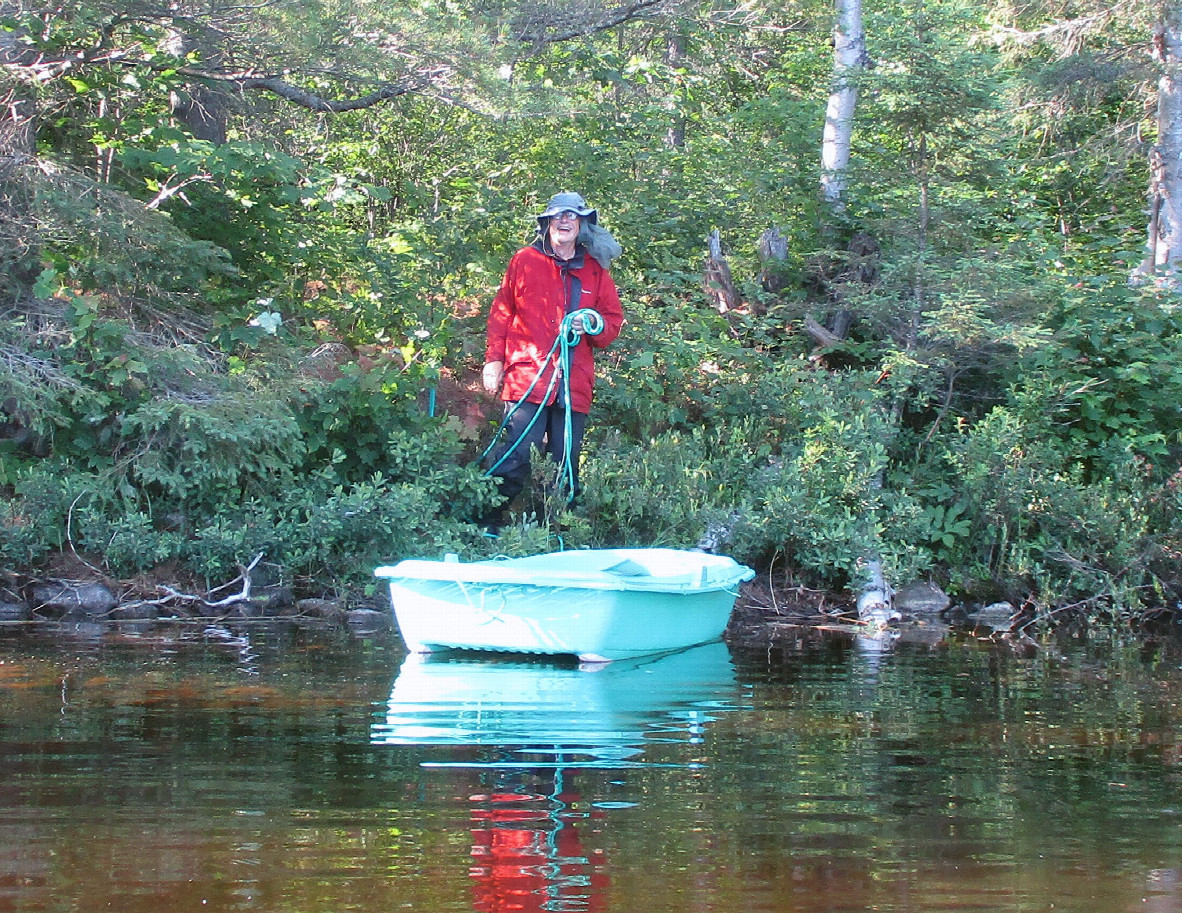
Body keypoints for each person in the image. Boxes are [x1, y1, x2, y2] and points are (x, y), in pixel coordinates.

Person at [480, 191, 625, 531]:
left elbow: (612, 322)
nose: (564, 222)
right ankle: (486, 529)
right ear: (546, 223)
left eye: (572, 216)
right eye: (557, 216)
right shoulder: (524, 261)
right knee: (514, 456)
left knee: (565, 465)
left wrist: (592, 322)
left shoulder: (594, 270)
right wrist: (494, 361)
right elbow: (501, 313)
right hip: (527, 378)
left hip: (574, 386)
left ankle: (554, 535)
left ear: (582, 224)